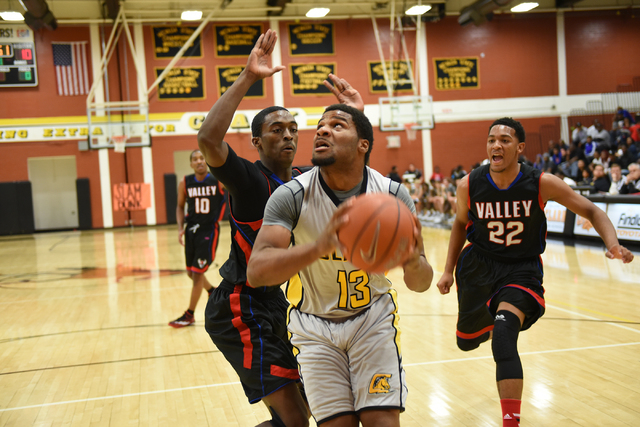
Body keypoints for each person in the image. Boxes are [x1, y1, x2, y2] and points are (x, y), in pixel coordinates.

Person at [197, 29, 364, 427]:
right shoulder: (251, 182)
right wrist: (249, 78)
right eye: (276, 129)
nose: (287, 134)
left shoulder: (307, 179)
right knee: (292, 418)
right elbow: (207, 138)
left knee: (306, 413)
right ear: (256, 141)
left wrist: (357, 114)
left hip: (279, 305)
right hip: (241, 305)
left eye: (292, 128)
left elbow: (351, 165)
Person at [436, 117, 634, 427]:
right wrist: (447, 270)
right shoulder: (469, 184)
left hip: (521, 269)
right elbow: (461, 223)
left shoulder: (541, 182)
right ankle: (492, 314)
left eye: (504, 139)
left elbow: (593, 210)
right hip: (479, 267)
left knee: (503, 337)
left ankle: (511, 422)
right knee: (466, 342)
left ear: (520, 147)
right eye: (491, 140)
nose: (496, 145)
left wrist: (613, 244)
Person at [246, 104, 434, 426]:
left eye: (337, 125)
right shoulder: (292, 195)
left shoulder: (392, 195)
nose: (322, 130)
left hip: (372, 319)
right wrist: (319, 246)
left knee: (382, 422)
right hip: (314, 326)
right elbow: (257, 271)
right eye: (320, 125)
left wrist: (412, 261)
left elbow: (421, 282)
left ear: (363, 144)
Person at [169, 149, 226, 328]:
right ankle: (212, 290)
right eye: (195, 159)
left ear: (206, 161)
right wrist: (180, 228)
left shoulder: (217, 180)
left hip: (209, 230)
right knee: (190, 272)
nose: (199, 161)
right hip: (191, 230)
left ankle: (190, 314)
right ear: (191, 164)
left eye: (202, 157)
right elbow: (179, 206)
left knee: (197, 274)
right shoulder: (184, 182)